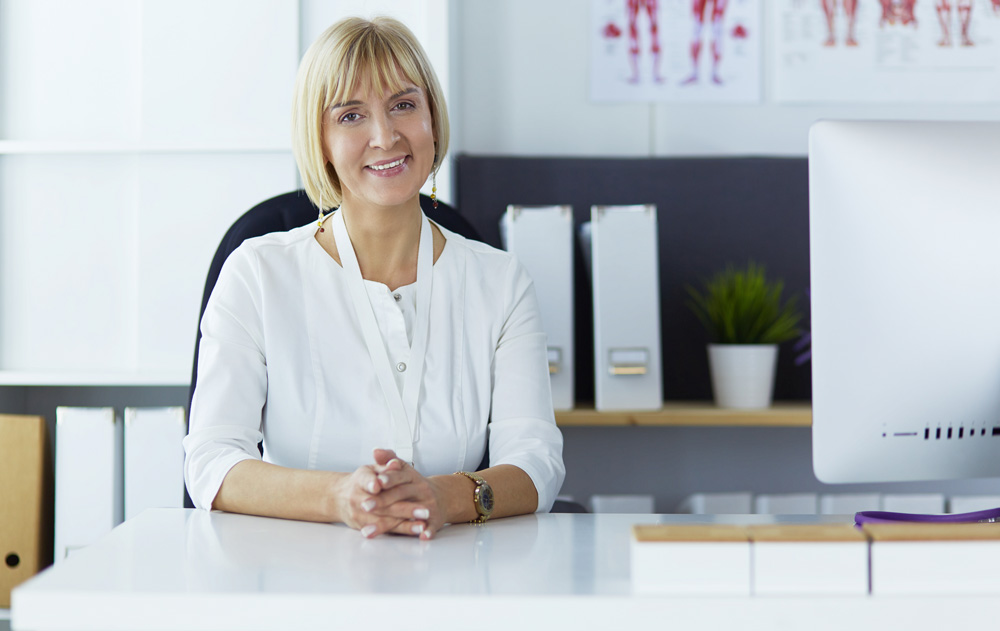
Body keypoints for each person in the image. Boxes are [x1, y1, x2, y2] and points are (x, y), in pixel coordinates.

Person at [183, 16, 565, 541]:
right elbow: (210, 461)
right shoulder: (257, 274)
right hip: (298, 583)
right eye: (351, 115)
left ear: (432, 116)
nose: (385, 136)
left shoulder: (500, 281)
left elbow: (537, 463)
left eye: (404, 105)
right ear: (319, 139)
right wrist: (341, 498)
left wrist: (443, 496)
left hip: (452, 577)